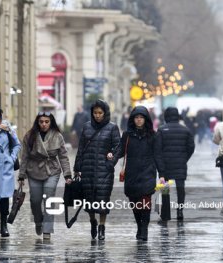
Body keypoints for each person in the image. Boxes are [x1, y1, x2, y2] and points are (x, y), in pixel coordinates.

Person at [113, 106, 165, 241]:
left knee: (145, 202)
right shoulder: (127, 135)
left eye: (141, 118)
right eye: (136, 117)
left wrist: (162, 174)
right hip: (132, 172)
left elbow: (158, 155)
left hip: (148, 172)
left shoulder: (154, 135)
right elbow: (120, 150)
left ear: (146, 119)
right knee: (135, 203)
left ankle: (144, 229)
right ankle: (139, 225)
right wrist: (111, 159)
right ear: (132, 119)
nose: (139, 120)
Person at [18, 111, 72, 240]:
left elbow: (63, 156)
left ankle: (47, 230)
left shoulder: (57, 136)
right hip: (34, 170)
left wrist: (67, 174)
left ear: (51, 122)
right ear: (37, 122)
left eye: (46, 122)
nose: (44, 124)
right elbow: (24, 156)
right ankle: (38, 221)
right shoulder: (29, 136)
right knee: (35, 200)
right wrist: (21, 175)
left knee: (49, 198)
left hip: (52, 170)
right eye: (41, 122)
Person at [74, 99, 120, 241]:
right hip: (88, 169)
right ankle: (92, 221)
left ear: (105, 113)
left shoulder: (112, 128)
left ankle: (102, 226)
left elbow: (118, 147)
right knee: (90, 200)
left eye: (100, 113)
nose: (97, 115)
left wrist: (110, 162)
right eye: (95, 113)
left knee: (103, 199)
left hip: (104, 171)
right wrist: (77, 167)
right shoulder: (87, 127)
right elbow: (81, 148)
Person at [0, 106, 21, 239]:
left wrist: (11, 158)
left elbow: (17, 144)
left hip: (5, 168)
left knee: (4, 198)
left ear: (1, 117)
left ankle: (4, 226)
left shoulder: (7, 129)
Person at [156, 107, 195, 222]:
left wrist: (160, 165)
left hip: (165, 165)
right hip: (180, 164)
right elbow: (191, 147)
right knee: (180, 188)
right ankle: (180, 210)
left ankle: (165, 214)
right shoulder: (186, 130)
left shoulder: (161, 130)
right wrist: (184, 158)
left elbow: (157, 150)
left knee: (165, 189)